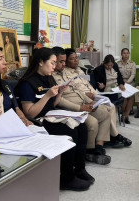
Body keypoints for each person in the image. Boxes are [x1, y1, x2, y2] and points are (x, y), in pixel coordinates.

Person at [14, 47, 93, 191]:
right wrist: (47, 95)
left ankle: (80, 168)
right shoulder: (27, 83)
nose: (54, 67)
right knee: (70, 132)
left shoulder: (48, 78)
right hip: (37, 121)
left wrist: (59, 93)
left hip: (51, 115)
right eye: (52, 63)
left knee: (82, 126)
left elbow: (54, 104)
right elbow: (30, 113)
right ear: (40, 62)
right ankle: (66, 177)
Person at [52, 47, 111, 165]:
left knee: (105, 113)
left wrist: (90, 101)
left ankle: (98, 146)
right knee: (92, 122)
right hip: (71, 108)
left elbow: (77, 90)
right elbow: (59, 100)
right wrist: (80, 108)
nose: (63, 65)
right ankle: (87, 152)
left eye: (64, 61)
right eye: (61, 62)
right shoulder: (51, 76)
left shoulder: (65, 73)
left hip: (83, 103)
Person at [62, 49, 131, 148]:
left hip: (94, 95)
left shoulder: (80, 70)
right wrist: (91, 94)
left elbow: (88, 85)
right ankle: (115, 136)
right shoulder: (66, 73)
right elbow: (75, 90)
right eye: (72, 59)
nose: (76, 61)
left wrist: (95, 94)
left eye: (76, 58)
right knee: (107, 109)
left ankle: (110, 137)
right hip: (85, 98)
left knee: (111, 106)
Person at [94, 54, 128, 122]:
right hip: (106, 91)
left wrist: (121, 84)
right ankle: (111, 119)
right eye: (107, 65)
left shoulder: (115, 66)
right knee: (113, 101)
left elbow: (119, 77)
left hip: (116, 89)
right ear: (104, 63)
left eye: (111, 65)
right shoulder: (98, 70)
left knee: (126, 95)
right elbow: (96, 84)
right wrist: (100, 86)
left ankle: (123, 115)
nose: (109, 67)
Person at [117, 48, 136, 121]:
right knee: (124, 97)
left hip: (130, 82)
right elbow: (117, 75)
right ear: (121, 54)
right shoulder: (118, 63)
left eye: (127, 53)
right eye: (124, 53)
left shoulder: (132, 63)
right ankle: (122, 113)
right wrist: (122, 82)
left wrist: (127, 82)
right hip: (121, 83)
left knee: (131, 96)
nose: (126, 55)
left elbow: (133, 74)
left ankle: (126, 115)